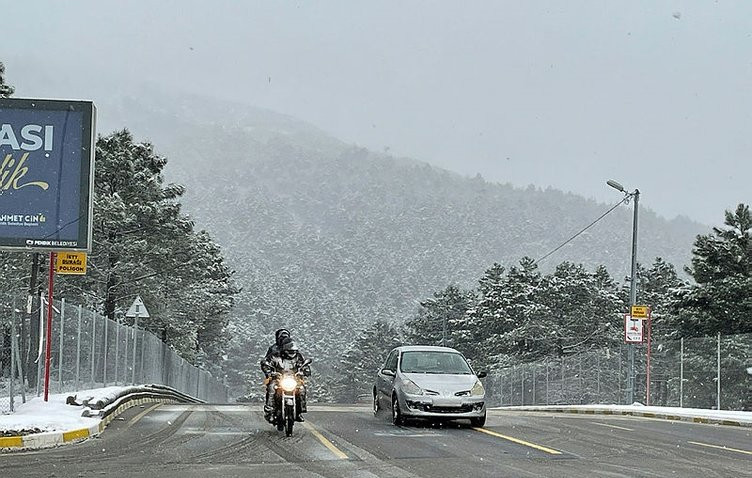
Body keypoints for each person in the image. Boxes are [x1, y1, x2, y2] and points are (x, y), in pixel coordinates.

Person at [260, 329, 310, 422]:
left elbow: (302, 364)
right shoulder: (274, 353)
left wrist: (305, 371)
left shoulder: (296, 354)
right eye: (282, 337)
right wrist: (269, 372)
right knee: (271, 388)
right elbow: (267, 362)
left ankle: (299, 411)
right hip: (278, 377)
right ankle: (270, 411)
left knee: (301, 389)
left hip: (293, 377)